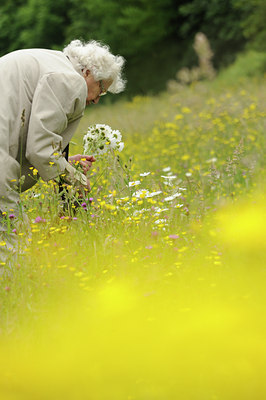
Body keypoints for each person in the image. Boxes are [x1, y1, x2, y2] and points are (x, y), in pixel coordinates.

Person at [0, 39, 126, 264]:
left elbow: (32, 137)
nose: (97, 100)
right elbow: (39, 151)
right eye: (102, 90)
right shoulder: (70, 79)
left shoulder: (49, 62)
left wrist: (65, 162)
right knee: (14, 239)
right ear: (88, 72)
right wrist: (76, 179)